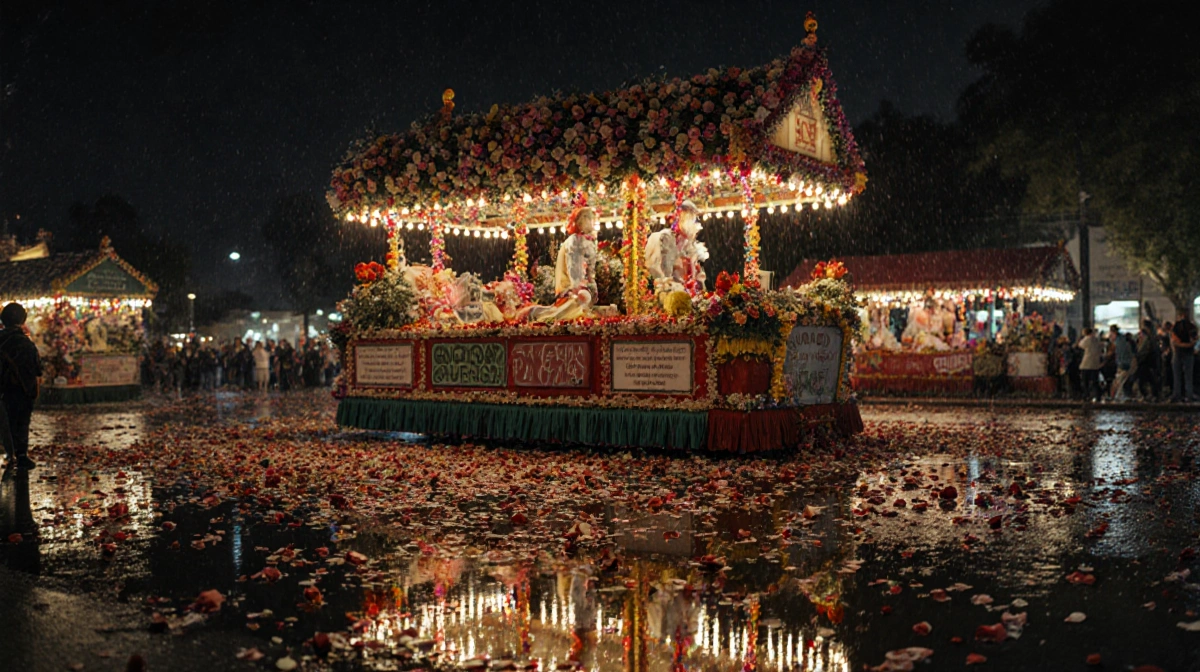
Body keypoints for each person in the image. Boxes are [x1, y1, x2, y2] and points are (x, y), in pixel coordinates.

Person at [0, 303, 43, 471]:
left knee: (5, 421)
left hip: (2, 389)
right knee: (21, 422)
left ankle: (10, 453)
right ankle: (21, 455)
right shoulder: (26, 343)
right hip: (22, 388)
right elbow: (37, 368)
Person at [1169, 308, 1197, 403]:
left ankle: (1177, 395)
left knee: (1177, 375)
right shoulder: (1192, 326)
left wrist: (1180, 345)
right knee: (1188, 376)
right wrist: (1189, 345)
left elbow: (1174, 340)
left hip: (1178, 353)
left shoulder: (1176, 326)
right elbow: (1194, 340)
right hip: (1189, 353)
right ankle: (1189, 395)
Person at [1108, 325, 1134, 401]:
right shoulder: (1124, 339)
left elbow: (1112, 351)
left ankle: (1117, 397)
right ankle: (1121, 396)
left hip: (1121, 362)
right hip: (1127, 362)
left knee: (1119, 381)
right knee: (1122, 380)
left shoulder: (1117, 341)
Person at [1076, 327, 1102, 402]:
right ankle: (1098, 395)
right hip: (1095, 364)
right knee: (1095, 381)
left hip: (1086, 364)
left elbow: (1080, 345)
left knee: (1085, 381)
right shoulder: (1096, 340)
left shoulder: (1086, 339)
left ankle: (1086, 395)